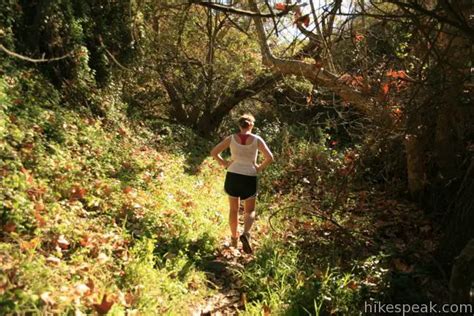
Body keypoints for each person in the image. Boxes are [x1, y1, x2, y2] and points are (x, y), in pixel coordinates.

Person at [210, 114, 273, 254]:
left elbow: (214, 152)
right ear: (251, 125)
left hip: (233, 174)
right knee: (249, 210)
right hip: (249, 176)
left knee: (233, 209)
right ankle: (246, 233)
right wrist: (258, 167)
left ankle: (234, 238)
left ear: (240, 125)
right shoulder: (257, 140)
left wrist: (225, 163)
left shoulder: (231, 138)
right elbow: (270, 158)